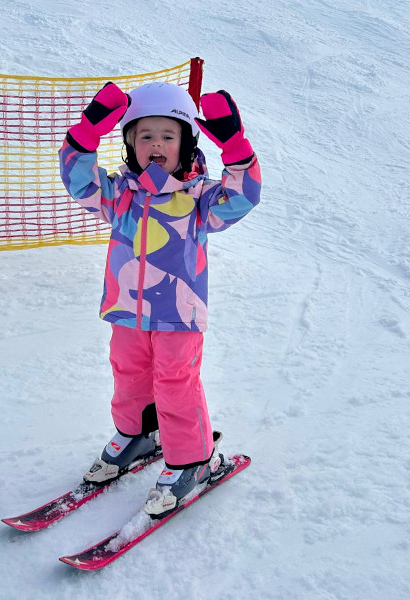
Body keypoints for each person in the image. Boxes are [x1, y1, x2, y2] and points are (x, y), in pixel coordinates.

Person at [58, 80, 261, 517]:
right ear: (130, 144)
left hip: (178, 313)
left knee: (175, 380)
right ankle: (138, 433)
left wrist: (237, 152)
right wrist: (85, 135)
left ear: (185, 143)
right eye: (144, 135)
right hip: (125, 308)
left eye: (168, 136)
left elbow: (243, 199)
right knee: (128, 372)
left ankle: (194, 458)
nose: (156, 144)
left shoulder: (202, 197)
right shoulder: (120, 194)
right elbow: (78, 182)